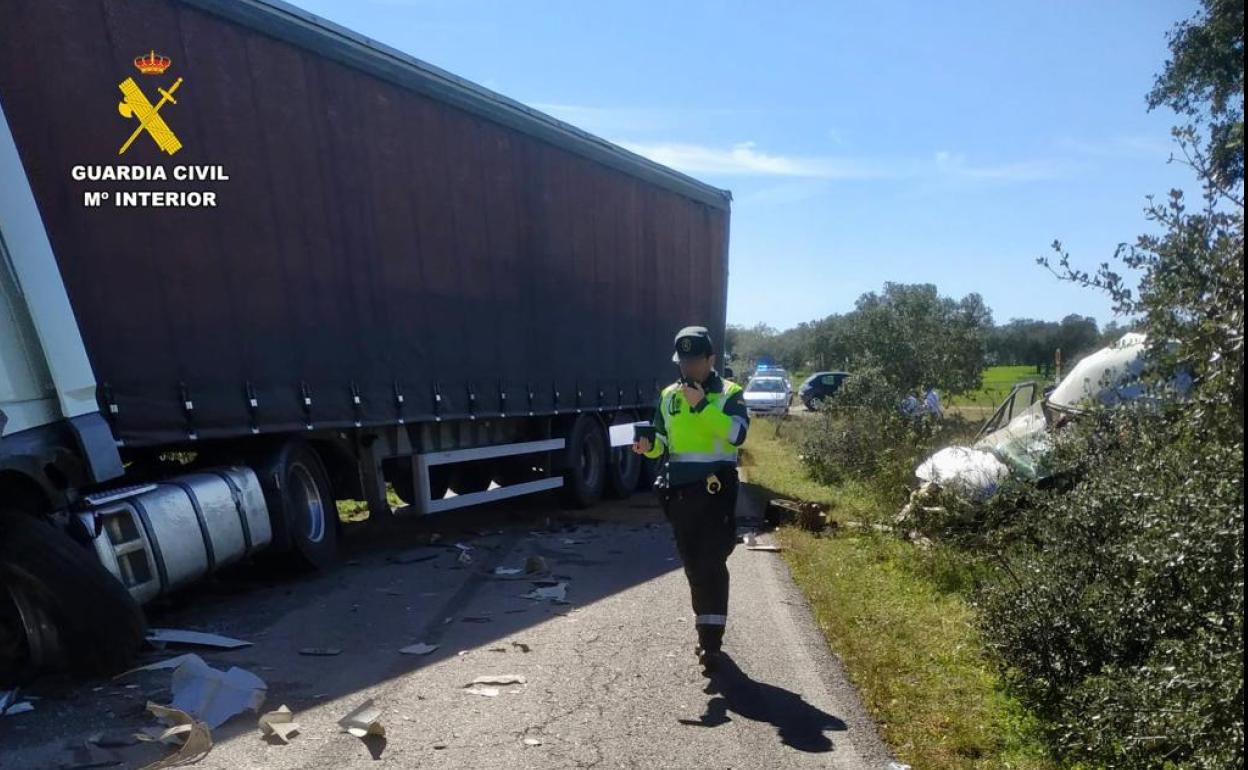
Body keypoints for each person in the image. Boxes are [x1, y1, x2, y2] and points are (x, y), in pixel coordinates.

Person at [632, 326, 749, 674]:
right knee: (695, 566)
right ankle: (706, 633)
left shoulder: (730, 393)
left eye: (696, 361)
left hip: (716, 491)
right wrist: (646, 446)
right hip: (680, 494)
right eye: (684, 362)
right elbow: (663, 443)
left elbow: (737, 435)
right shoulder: (669, 395)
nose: (689, 368)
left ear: (711, 360)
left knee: (711, 563)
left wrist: (701, 408)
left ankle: (711, 643)